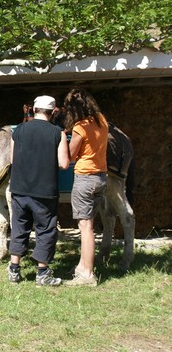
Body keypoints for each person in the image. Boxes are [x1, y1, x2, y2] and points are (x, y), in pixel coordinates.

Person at [8, 95, 70, 286]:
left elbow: (12, 160)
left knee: (19, 227)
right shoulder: (57, 133)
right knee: (45, 230)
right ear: (52, 113)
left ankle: (14, 270)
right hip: (44, 191)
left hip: (19, 189)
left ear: (34, 110)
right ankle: (42, 273)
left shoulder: (17, 131)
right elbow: (64, 163)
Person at [62, 88, 108, 287]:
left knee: (86, 227)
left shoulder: (80, 127)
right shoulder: (101, 120)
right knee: (90, 224)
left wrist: (64, 139)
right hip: (101, 177)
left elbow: (71, 156)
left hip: (85, 178)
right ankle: (82, 266)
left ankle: (87, 275)